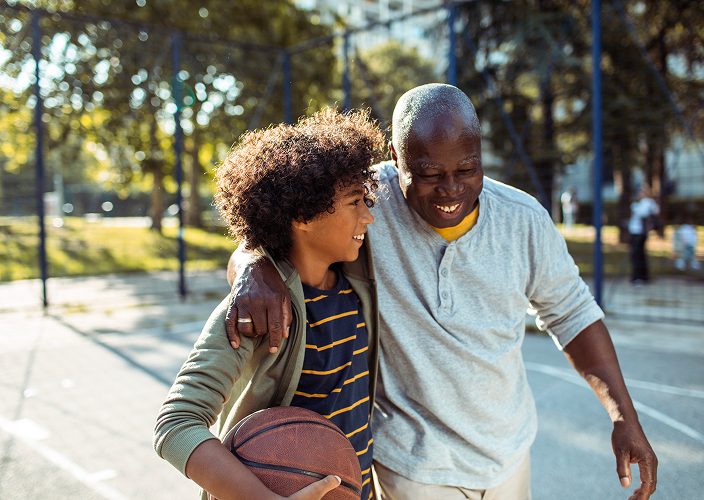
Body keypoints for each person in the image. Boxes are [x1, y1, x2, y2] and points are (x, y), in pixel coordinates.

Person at [225, 84, 658, 500]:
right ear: (396, 159)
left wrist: (624, 417)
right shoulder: (364, 204)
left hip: (508, 455)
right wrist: (253, 265)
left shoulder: (523, 220)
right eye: (429, 174)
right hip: (414, 467)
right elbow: (274, 230)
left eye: (467, 169)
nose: (451, 189)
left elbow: (573, 314)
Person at [154, 108, 385, 500]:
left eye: (367, 199)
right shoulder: (255, 311)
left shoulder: (357, 279)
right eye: (353, 202)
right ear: (302, 215)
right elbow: (176, 424)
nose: (369, 216)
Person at [628, 186, 660, 283]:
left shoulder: (647, 202)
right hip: (637, 232)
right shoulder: (645, 203)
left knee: (637, 255)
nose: (639, 195)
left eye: (641, 192)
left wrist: (634, 207)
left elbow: (644, 213)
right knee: (640, 254)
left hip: (639, 232)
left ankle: (639, 277)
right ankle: (642, 277)